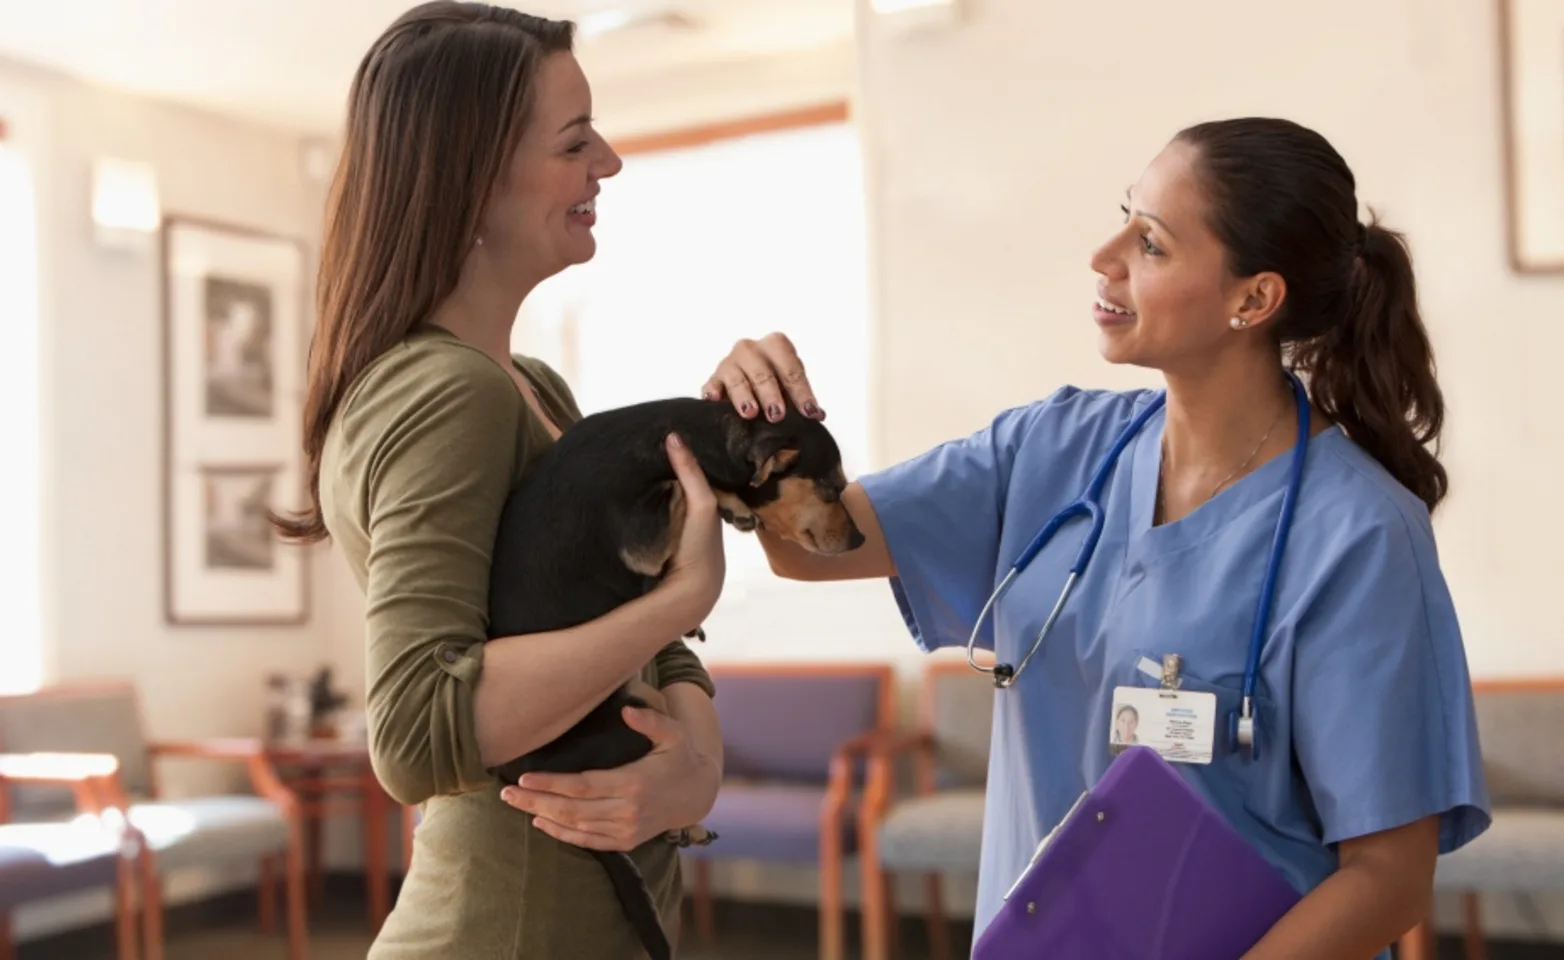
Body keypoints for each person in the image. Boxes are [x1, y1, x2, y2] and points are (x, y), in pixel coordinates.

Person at [697, 118, 1492, 959]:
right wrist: (741, 426)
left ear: (1252, 299)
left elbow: (1387, 875)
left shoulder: (1360, 535)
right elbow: (809, 546)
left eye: (1149, 242)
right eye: (1124, 217)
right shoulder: (1049, 451)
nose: (1103, 256)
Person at [271, 4, 729, 956]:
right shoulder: (450, 394)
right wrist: (685, 592)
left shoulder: (530, 388)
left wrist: (694, 767)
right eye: (574, 142)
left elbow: (648, 650)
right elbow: (414, 729)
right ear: (473, 181)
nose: (607, 161)